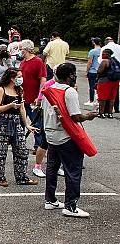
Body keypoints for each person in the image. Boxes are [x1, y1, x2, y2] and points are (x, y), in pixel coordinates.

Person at [42, 63, 98, 218]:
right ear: (70, 76)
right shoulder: (69, 92)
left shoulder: (48, 90)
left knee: (52, 168)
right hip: (66, 136)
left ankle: (50, 199)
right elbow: (75, 116)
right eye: (74, 74)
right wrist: (89, 116)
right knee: (73, 170)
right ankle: (71, 205)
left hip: (51, 135)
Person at [0, 68, 39, 187]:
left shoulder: (19, 90)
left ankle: (22, 177)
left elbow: (22, 108)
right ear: (12, 78)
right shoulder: (1, 89)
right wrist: (10, 105)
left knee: (21, 151)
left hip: (17, 122)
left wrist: (27, 124)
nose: (21, 79)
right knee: (1, 152)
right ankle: (0, 177)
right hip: (3, 122)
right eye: (18, 77)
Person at [19, 40, 49, 177]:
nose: (20, 51)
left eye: (22, 49)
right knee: (21, 122)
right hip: (23, 97)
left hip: (33, 99)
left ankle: (38, 146)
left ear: (28, 49)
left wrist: (39, 96)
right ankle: (19, 144)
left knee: (36, 124)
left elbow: (43, 79)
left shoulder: (37, 62)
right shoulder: (23, 62)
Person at [96, 48, 119, 118]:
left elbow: (99, 71)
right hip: (115, 81)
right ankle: (110, 113)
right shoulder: (115, 60)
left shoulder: (105, 61)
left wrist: (97, 78)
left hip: (105, 81)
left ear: (107, 54)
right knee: (112, 98)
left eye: (103, 53)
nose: (102, 55)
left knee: (102, 98)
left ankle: (101, 113)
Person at [86, 38, 102, 107]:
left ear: (94, 43)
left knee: (92, 86)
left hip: (92, 71)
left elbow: (90, 62)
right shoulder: (103, 50)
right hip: (101, 70)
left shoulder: (92, 51)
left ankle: (91, 100)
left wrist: (87, 71)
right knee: (99, 86)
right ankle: (98, 100)